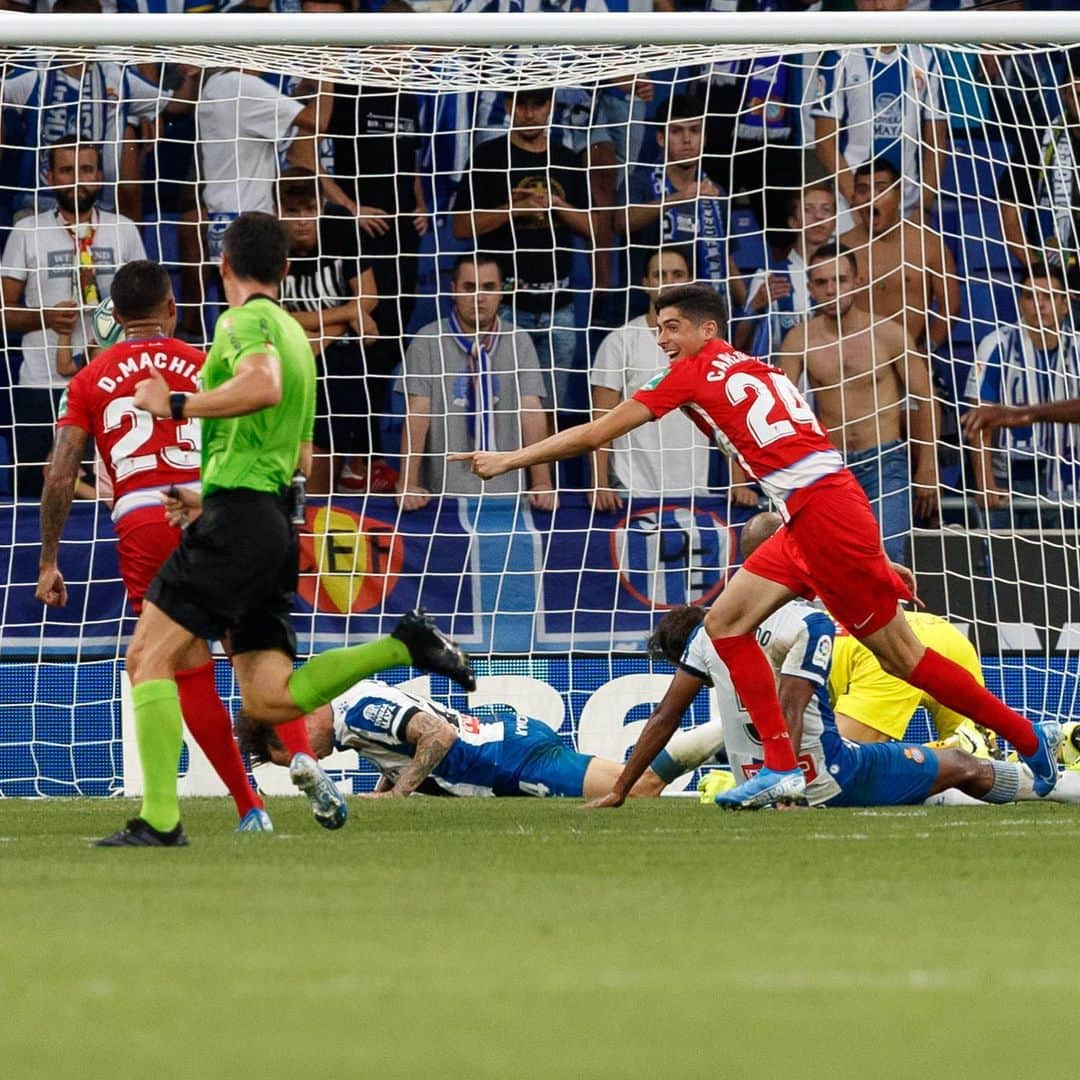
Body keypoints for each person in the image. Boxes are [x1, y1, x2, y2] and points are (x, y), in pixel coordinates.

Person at [451, 282, 1061, 809]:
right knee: (724, 625)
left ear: (706, 329)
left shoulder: (688, 373)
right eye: (656, 328)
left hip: (825, 519)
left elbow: (598, 431)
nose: (662, 339)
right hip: (816, 513)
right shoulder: (760, 367)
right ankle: (778, 768)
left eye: (672, 328)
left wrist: (511, 457)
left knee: (905, 659)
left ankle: (1028, 739)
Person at [95, 212, 475, 847]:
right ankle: (401, 645)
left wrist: (178, 405)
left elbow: (261, 386)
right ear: (288, 269)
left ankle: (160, 820)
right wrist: (208, 492)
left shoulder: (243, 322)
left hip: (241, 518)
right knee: (271, 701)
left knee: (147, 658)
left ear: (223, 266)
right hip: (272, 516)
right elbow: (300, 457)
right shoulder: (300, 340)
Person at [34, 259, 275, 832]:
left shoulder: (91, 378)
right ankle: (296, 772)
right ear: (173, 308)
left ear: (113, 317)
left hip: (146, 522)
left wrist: (47, 559)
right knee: (254, 653)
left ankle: (214, 810)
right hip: (217, 511)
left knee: (166, 663)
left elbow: (60, 474)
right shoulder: (206, 363)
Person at [631, 594, 1080, 810]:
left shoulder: (725, 655)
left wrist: (641, 780)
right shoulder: (760, 622)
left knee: (958, 764)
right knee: (960, 758)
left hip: (882, 657)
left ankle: (1048, 745)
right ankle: (1050, 742)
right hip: (911, 632)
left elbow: (672, 719)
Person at [0, 139, 147, 498]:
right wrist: (47, 318)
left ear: (99, 175)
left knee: (110, 488)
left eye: (86, 170)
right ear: (49, 177)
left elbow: (148, 308)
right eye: (66, 170)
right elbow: (4, 313)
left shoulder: (123, 229)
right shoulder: (27, 231)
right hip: (41, 385)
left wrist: (112, 320)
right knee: (38, 494)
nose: (77, 179)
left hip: (111, 383)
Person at [777, 242, 939, 563]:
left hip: (885, 462)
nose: (831, 290)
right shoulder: (799, 339)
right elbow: (777, 407)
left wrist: (928, 467)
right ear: (809, 287)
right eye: (822, 283)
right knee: (830, 562)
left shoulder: (889, 334)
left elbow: (927, 399)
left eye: (840, 280)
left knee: (888, 557)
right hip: (828, 466)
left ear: (857, 281)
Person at [235, 678, 648, 801]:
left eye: (291, 753)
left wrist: (397, 797)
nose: (307, 761)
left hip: (513, 762)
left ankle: (708, 753)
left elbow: (438, 734)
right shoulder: (350, 715)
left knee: (636, 789)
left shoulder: (358, 711)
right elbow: (399, 748)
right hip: (507, 749)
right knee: (630, 783)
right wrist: (392, 785)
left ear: (299, 722)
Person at [451, 87, 591, 413]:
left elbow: (594, 230)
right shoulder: (488, 156)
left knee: (548, 412)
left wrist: (556, 205)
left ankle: (543, 468)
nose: (529, 113)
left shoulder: (567, 160)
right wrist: (513, 208)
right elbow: (460, 228)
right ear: (507, 105)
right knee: (500, 412)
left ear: (550, 106)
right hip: (505, 306)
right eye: (521, 103)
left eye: (537, 104)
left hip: (560, 306)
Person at [397, 253, 554, 511]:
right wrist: (408, 484)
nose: (479, 297)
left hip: (509, 496)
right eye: (469, 287)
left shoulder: (519, 340)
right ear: (453, 290)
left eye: (489, 287)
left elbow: (531, 412)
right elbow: (418, 414)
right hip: (443, 497)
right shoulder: (427, 339)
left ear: (502, 291)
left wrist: (541, 482)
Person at [275, 168, 388, 494]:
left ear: (322, 206)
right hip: (287, 356)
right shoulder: (267, 242)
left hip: (339, 357)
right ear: (276, 212)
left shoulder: (340, 227)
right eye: (292, 211)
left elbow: (369, 295)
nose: (302, 221)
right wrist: (349, 314)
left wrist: (325, 335)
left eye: (310, 210)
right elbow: (274, 316)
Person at [588, 245, 711, 511]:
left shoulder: (708, 344)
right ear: (645, 284)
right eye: (659, 275)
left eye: (677, 274)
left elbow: (726, 418)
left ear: (691, 282)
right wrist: (599, 483)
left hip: (695, 491)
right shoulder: (620, 341)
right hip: (633, 490)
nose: (668, 282)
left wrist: (739, 483)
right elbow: (601, 419)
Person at [963, 266, 1080, 527]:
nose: (1039, 305)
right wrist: (985, 482)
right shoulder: (995, 344)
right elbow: (978, 417)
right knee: (1005, 563)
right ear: (1020, 302)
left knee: (1067, 565)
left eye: (1048, 296)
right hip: (1007, 479)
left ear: (1065, 304)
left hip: (1069, 476)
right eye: (1030, 296)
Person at [811, 5, 949, 221]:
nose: (878, 3)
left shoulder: (926, 58)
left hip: (907, 202)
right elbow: (824, 141)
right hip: (851, 201)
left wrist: (923, 206)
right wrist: (857, 201)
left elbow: (936, 141)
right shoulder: (840, 56)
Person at [618, 92, 746, 315]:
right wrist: (677, 198)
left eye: (694, 131)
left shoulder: (714, 193)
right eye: (677, 131)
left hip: (698, 316)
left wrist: (750, 304)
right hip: (645, 315)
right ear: (660, 138)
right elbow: (621, 223)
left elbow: (725, 259)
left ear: (704, 138)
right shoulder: (639, 183)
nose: (687, 140)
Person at [839, 159, 960, 355]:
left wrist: (926, 351)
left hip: (909, 358)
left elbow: (952, 306)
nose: (872, 197)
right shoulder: (841, 247)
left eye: (881, 189)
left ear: (899, 195)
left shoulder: (928, 244)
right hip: (854, 363)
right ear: (853, 198)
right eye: (863, 191)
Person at [732, 182, 837, 361]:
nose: (818, 216)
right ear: (793, 222)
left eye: (826, 210)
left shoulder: (846, 275)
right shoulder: (768, 276)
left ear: (835, 222)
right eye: (808, 209)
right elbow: (737, 344)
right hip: (783, 380)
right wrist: (756, 306)